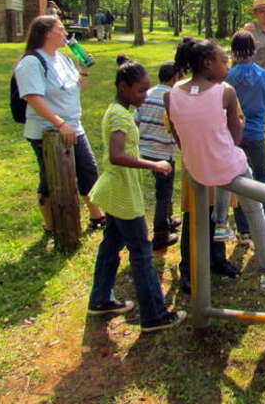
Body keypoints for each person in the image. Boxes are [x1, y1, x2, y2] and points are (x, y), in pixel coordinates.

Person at [165, 37, 265, 291]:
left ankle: (221, 223)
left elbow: (178, 136)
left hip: (196, 168)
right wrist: (237, 124)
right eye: (224, 61)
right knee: (255, 212)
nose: (228, 67)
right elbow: (235, 139)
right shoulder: (226, 92)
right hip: (228, 167)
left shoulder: (171, 94)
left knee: (218, 168)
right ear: (208, 64)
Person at [87, 60, 186, 332]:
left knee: (111, 244)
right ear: (123, 86)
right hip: (122, 192)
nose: (144, 95)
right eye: (140, 91)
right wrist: (154, 164)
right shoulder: (120, 115)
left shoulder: (119, 110)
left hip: (117, 188)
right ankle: (154, 315)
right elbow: (117, 156)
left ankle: (100, 299)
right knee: (142, 252)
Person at [14, 15, 105, 232]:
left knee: (88, 169)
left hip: (73, 126)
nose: (65, 34)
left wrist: (84, 70)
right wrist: (60, 123)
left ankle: (97, 216)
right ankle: (52, 225)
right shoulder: (31, 62)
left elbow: (77, 88)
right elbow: (32, 97)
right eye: (61, 29)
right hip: (47, 132)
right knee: (51, 179)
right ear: (46, 33)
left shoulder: (63, 59)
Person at [222, 30, 265, 242]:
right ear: (254, 48)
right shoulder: (264, 75)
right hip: (256, 132)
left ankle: (244, 230)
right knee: (262, 177)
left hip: (234, 134)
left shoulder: (228, 76)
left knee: (238, 180)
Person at [135, 61, 182, 251]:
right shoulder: (172, 98)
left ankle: (168, 220)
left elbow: (135, 121)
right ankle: (160, 235)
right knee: (164, 194)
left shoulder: (146, 94)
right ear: (174, 78)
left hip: (144, 150)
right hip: (163, 154)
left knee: (165, 192)